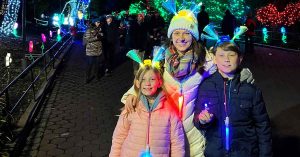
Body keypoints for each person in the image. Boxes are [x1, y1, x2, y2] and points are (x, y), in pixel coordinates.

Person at [121, 9, 254, 157]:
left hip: (193, 134)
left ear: (194, 36)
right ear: (171, 36)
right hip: (165, 133)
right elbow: (146, 79)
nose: (181, 38)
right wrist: (132, 94)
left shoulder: (205, 61)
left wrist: (241, 74)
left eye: (186, 33)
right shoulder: (161, 61)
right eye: (177, 33)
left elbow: (225, 68)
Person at [195, 38, 272, 157]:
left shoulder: (250, 90)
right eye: (221, 55)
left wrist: (265, 153)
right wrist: (202, 120)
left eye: (231, 55)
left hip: (244, 152)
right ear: (214, 59)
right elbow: (197, 119)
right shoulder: (206, 86)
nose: (226, 59)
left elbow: (262, 125)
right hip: (216, 151)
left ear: (240, 59)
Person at [109, 58, 185, 157]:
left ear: (160, 82)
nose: (147, 83)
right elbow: (118, 138)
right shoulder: (132, 107)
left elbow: (177, 143)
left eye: (152, 79)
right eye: (143, 79)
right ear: (137, 83)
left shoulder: (169, 110)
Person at [83, 18, 104, 83]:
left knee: (97, 65)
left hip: (98, 50)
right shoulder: (89, 30)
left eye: (99, 22)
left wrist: (102, 36)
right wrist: (96, 37)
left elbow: (101, 38)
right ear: (94, 22)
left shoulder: (100, 29)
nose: (99, 23)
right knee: (89, 64)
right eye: (97, 22)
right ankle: (87, 78)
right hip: (91, 51)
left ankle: (96, 76)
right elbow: (88, 39)